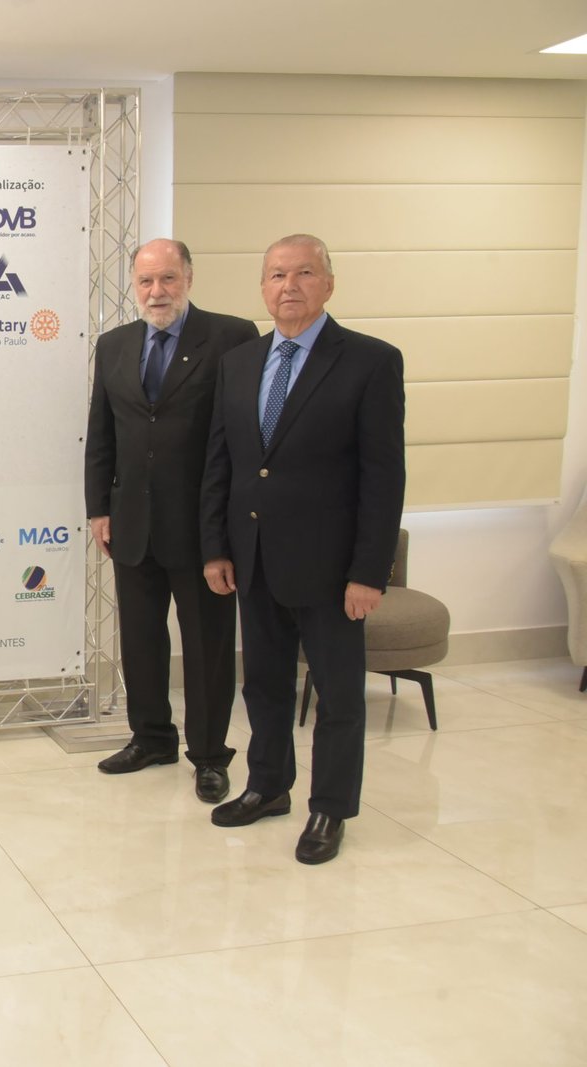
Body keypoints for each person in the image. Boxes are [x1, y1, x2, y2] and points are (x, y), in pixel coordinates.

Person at [200, 234, 405, 865]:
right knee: (264, 686)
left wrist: (369, 572)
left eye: (304, 273)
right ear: (263, 288)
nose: (288, 286)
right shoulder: (239, 362)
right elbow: (222, 464)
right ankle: (268, 787)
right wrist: (216, 548)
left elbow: (383, 476)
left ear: (329, 284)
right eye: (276, 275)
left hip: (332, 569)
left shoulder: (370, 361)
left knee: (338, 696)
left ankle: (330, 808)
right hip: (254, 558)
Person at [85, 238, 258, 802]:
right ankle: (151, 737)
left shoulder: (232, 337)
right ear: (134, 286)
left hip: (204, 530)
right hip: (131, 524)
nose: (156, 292)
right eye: (145, 281)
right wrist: (98, 508)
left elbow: (242, 438)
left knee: (208, 648)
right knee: (140, 641)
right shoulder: (114, 345)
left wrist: (228, 529)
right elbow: (102, 432)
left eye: (167, 279)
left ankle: (208, 755)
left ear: (188, 278)